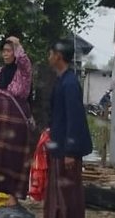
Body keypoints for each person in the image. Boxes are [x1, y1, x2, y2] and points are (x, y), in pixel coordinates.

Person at [0, 35, 33, 207]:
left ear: (15, 53)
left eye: (9, 50)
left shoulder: (23, 70)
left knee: (14, 156)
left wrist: (17, 43)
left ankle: (14, 195)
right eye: (4, 51)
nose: (6, 54)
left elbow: (24, 60)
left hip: (15, 118)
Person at [45, 39, 93, 218]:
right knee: (57, 194)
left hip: (67, 150)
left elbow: (75, 118)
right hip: (59, 145)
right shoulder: (62, 80)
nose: (48, 58)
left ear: (58, 56)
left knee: (68, 196)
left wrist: (71, 152)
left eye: (50, 54)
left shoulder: (70, 83)